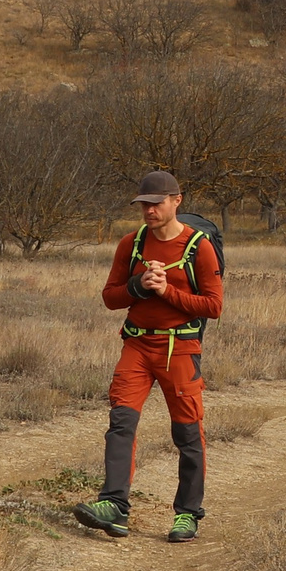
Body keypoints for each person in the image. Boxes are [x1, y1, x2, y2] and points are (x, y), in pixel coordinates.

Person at [72, 171, 224, 542]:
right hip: (137, 345)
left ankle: (188, 514)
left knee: (187, 433)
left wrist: (166, 291)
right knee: (121, 422)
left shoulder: (199, 247)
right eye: (144, 204)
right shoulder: (132, 243)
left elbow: (213, 306)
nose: (149, 211)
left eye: (156, 203)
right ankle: (114, 506)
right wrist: (138, 286)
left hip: (180, 349)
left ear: (177, 201)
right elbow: (110, 298)